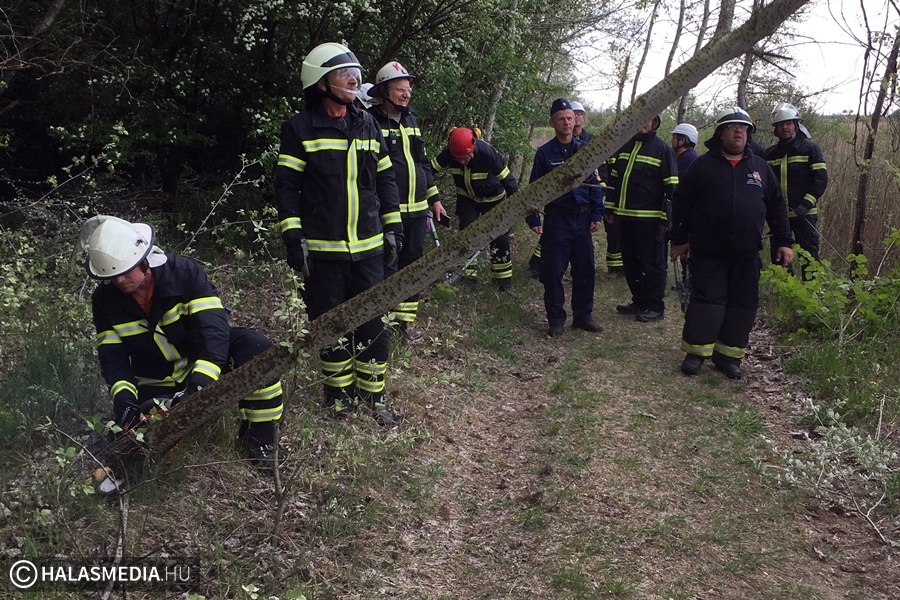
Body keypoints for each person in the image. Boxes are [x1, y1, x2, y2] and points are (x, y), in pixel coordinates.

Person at [78, 216, 286, 469]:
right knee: (128, 441)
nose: (119, 281)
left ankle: (258, 440)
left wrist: (200, 386)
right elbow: (113, 358)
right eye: (112, 277)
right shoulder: (104, 301)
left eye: (124, 272)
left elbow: (214, 331)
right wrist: (125, 400)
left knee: (256, 350)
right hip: (155, 377)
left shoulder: (184, 273)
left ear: (143, 259)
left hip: (201, 361)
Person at [274, 42, 403, 426]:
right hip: (323, 254)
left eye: (355, 73)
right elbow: (286, 187)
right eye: (343, 73)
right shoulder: (299, 129)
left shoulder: (368, 124)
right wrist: (292, 238)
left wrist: (393, 227)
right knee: (330, 328)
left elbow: (385, 179)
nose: (354, 79)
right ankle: (339, 400)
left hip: (369, 251)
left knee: (374, 326)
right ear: (320, 82)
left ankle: (375, 398)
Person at [670, 107, 794, 380]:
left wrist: (784, 242)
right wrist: (679, 240)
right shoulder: (701, 167)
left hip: (747, 253)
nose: (739, 132)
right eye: (733, 127)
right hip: (708, 251)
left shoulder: (761, 169)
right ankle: (696, 353)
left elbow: (777, 207)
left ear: (749, 135)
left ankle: (728, 357)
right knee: (707, 301)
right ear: (721, 133)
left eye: (744, 128)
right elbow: (681, 204)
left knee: (742, 305)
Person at [367, 61, 446, 329]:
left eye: (408, 89)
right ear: (383, 91)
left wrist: (434, 199)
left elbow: (422, 162)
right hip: (388, 212)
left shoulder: (411, 119)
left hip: (417, 210)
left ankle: (404, 325)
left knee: (413, 268)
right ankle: (383, 323)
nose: (406, 94)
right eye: (400, 89)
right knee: (389, 267)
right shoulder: (371, 122)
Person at [527, 98, 604, 337]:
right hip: (557, 220)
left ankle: (583, 316)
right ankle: (556, 320)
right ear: (552, 123)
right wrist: (533, 219)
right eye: (561, 119)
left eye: (570, 118)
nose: (567, 123)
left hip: (581, 219)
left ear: (576, 120)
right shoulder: (545, 153)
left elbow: (594, 184)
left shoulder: (584, 151)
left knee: (585, 270)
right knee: (552, 272)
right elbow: (533, 189)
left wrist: (596, 213)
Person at [606, 115, 678, 322]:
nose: (642, 122)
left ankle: (655, 305)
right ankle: (639, 300)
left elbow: (672, 188)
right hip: (624, 217)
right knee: (630, 262)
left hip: (651, 219)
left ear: (654, 123)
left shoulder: (662, 149)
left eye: (647, 119)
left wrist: (667, 218)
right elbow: (614, 180)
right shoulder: (624, 147)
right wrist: (610, 207)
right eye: (640, 118)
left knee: (651, 263)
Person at [432, 126, 519, 291]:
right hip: (467, 199)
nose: (462, 162)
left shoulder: (488, 154)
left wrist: (517, 209)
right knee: (467, 234)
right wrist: (434, 199)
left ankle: (503, 284)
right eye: (459, 159)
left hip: (494, 199)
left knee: (500, 238)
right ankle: (468, 278)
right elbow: (428, 171)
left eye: (466, 158)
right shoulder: (449, 153)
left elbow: (510, 183)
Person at [764, 102, 828, 274]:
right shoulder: (770, 154)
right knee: (780, 261)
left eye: (789, 124)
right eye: (781, 124)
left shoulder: (810, 149)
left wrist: (807, 203)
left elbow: (821, 179)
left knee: (809, 258)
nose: (785, 127)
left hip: (805, 215)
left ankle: (811, 297)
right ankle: (787, 297)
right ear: (776, 129)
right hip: (779, 218)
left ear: (796, 126)